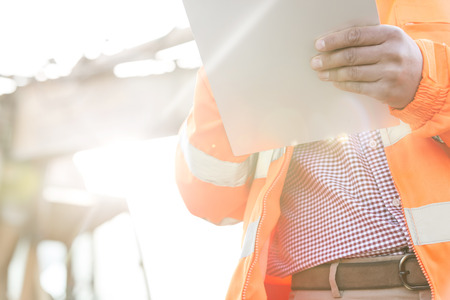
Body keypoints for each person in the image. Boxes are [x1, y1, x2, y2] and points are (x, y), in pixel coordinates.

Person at [175, 0, 450, 299]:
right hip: (324, 290)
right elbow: (210, 202)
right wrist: (222, 80)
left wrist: (427, 82)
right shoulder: (254, 22)